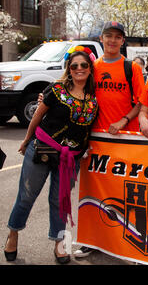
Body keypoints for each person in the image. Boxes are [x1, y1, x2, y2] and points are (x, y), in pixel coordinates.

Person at [4, 49, 98, 264]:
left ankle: (58, 242)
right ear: (69, 69)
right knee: (27, 196)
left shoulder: (95, 96)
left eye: (83, 65)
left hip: (71, 158)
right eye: (74, 66)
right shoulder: (56, 90)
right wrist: (27, 140)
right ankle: (14, 233)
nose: (79, 69)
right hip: (42, 150)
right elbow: (38, 115)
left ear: (90, 69)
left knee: (60, 201)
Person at [74, 21, 146, 259]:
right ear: (101, 39)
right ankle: (91, 240)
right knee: (93, 190)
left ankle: (130, 241)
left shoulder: (131, 68)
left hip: (125, 140)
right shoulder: (92, 67)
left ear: (123, 41)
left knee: (126, 191)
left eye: (117, 37)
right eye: (108, 36)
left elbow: (141, 103)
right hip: (96, 139)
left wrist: (124, 121)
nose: (113, 40)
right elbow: (77, 93)